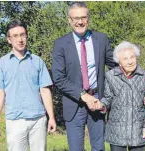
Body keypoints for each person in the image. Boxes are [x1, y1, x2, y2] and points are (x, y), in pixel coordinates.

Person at [51, 2, 117, 151]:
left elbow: (116, 67)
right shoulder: (60, 44)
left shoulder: (101, 39)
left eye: (83, 17)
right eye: (75, 18)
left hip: (97, 101)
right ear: (69, 20)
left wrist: (139, 76)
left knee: (99, 148)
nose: (79, 22)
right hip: (74, 103)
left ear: (88, 18)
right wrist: (83, 95)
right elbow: (58, 78)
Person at [0, 19, 56, 151]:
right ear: (9, 39)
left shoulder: (37, 61)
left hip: (38, 119)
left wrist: (51, 117)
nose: (20, 39)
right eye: (15, 36)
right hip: (14, 121)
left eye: (23, 35)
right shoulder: (2, 63)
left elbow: (45, 91)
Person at [94, 41, 145, 151]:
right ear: (119, 62)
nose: (130, 62)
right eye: (125, 59)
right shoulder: (110, 76)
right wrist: (101, 105)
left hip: (138, 131)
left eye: (132, 57)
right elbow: (108, 98)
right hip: (117, 131)